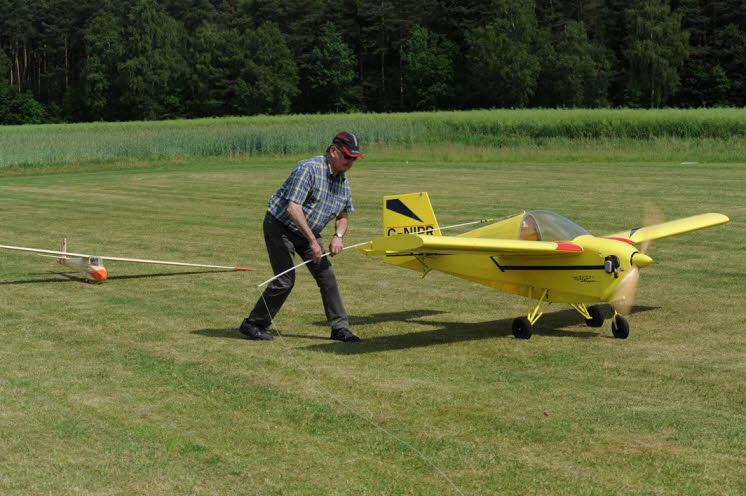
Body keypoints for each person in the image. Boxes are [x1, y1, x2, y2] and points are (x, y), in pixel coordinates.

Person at [239, 132, 363, 342]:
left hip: (308, 233)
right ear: (334, 151)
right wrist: (313, 242)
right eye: (347, 157)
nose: (351, 162)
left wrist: (338, 236)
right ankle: (253, 324)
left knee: (327, 277)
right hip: (280, 227)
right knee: (285, 280)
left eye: (354, 159)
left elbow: (343, 216)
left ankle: (339, 328)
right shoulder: (308, 169)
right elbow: (293, 208)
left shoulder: (343, 182)